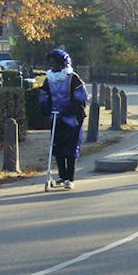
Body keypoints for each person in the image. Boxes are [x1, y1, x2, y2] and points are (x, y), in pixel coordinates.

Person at [39, 48, 88, 189]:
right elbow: (44, 96)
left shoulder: (73, 78)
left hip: (72, 119)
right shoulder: (49, 80)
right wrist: (45, 107)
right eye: (50, 63)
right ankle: (62, 175)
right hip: (56, 117)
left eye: (55, 62)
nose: (52, 65)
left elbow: (80, 97)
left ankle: (70, 178)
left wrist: (70, 109)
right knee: (57, 148)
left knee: (71, 149)